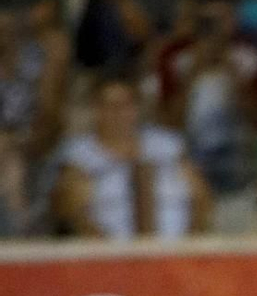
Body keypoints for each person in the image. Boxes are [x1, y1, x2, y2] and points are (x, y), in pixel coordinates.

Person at [54, 68, 209, 240]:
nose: (118, 112)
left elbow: (201, 199)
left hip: (177, 248)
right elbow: (72, 212)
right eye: (109, 105)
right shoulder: (80, 155)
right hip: (111, 250)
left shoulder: (167, 145)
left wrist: (189, 244)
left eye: (125, 104)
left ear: (137, 107)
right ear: (95, 109)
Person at [154, 0, 257, 198]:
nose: (215, 28)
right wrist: (192, 74)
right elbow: (167, 125)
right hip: (187, 164)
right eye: (207, 21)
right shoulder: (174, 56)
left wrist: (233, 74)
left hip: (237, 161)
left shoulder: (251, 55)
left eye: (221, 19)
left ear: (234, 19)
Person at [0, 5, 67, 234]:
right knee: (9, 165)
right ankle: (16, 229)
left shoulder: (34, 62)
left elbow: (50, 113)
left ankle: (22, 230)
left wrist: (25, 142)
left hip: (32, 140)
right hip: (5, 145)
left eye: (7, 30)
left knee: (17, 165)